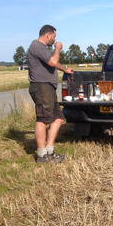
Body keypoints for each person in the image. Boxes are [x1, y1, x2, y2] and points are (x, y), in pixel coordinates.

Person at [28, 25, 74, 163]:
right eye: (54, 37)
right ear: (47, 35)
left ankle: (49, 151)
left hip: (48, 87)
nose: (55, 40)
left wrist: (65, 69)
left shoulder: (42, 49)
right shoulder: (37, 46)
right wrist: (58, 48)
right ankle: (42, 155)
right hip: (42, 87)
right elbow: (53, 61)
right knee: (43, 119)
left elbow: (53, 62)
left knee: (58, 118)